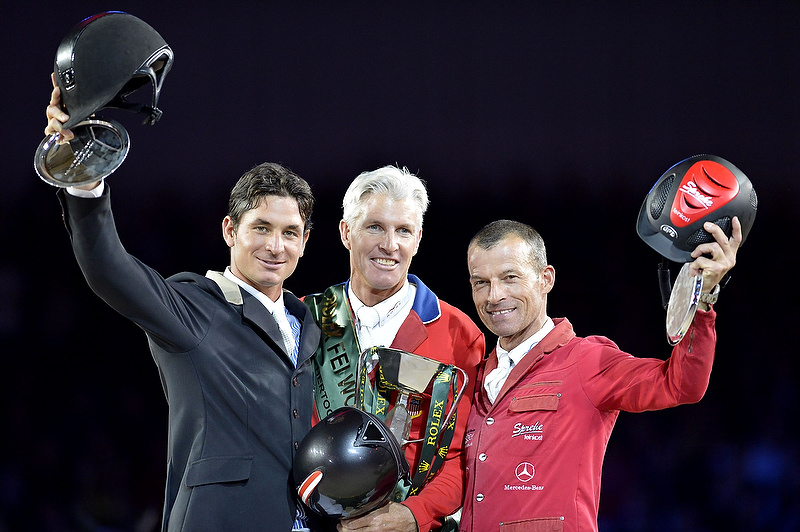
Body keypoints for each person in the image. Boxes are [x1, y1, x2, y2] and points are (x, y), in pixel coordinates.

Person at [45, 77, 321, 531]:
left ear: (305, 242)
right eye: (261, 228)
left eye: (290, 233)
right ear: (230, 230)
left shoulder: (307, 323)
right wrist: (86, 177)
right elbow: (109, 268)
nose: (276, 246)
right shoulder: (194, 307)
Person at [460, 218, 741, 532]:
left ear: (545, 279)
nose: (494, 296)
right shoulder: (470, 379)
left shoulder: (586, 361)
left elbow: (681, 385)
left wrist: (702, 298)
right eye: (480, 282)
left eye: (510, 277)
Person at [303, 166, 485, 532]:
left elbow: (465, 458)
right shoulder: (306, 318)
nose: (390, 244)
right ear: (346, 232)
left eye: (403, 230)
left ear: (418, 239)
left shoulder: (458, 333)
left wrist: (413, 515)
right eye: (375, 227)